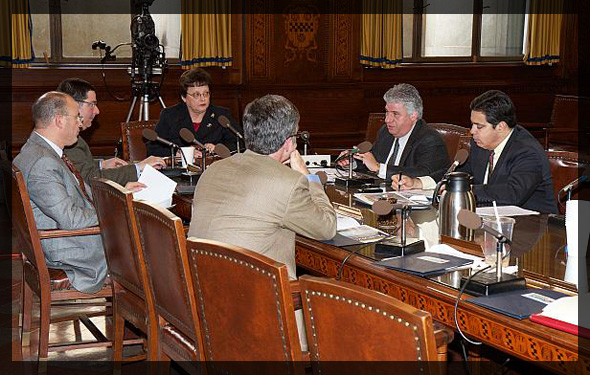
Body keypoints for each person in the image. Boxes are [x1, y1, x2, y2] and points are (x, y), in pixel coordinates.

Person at [187, 94, 336, 351]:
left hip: (205, 302)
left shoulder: (213, 170)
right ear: (289, 143)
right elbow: (326, 227)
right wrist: (308, 177)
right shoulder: (289, 183)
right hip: (261, 315)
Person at [13, 91, 145, 293]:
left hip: (62, 238)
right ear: (59, 121)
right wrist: (118, 209)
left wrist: (119, 193)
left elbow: (79, 193)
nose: (81, 124)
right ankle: (151, 315)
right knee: (152, 242)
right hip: (71, 250)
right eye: (77, 117)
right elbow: (72, 220)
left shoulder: (36, 150)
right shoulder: (43, 163)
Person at [396, 90, 557, 214]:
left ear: (501, 126)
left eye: (479, 126)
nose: (472, 131)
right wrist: (418, 182)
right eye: (472, 124)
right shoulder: (481, 143)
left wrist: (465, 190)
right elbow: (458, 173)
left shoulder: (527, 151)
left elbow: (513, 193)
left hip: (533, 230)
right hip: (489, 220)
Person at [57, 78, 166, 186]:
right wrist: (140, 167)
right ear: (74, 105)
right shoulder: (68, 138)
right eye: (92, 104)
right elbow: (89, 178)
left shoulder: (68, 134)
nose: (97, 111)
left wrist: (102, 164)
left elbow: (77, 164)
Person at [339, 83, 450, 183]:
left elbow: (423, 173)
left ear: (413, 116)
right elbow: (372, 162)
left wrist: (379, 168)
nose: (387, 119)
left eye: (395, 114)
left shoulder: (429, 139)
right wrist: (351, 163)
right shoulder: (385, 132)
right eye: (387, 112)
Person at [146, 68, 243, 158]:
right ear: (184, 97)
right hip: (182, 173)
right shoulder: (170, 115)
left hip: (213, 171)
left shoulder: (222, 116)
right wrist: (177, 153)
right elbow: (153, 148)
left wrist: (217, 148)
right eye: (197, 94)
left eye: (206, 93)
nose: (203, 98)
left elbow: (240, 144)